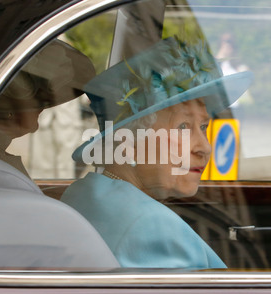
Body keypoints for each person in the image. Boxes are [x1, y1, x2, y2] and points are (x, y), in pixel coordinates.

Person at [61, 37, 253, 268]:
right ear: (128, 143)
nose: (205, 147)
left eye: (203, 127)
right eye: (183, 127)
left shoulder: (84, 192)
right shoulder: (153, 227)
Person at [0, 39, 96, 178]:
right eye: (38, 103)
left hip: (64, 123)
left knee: (64, 159)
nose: (33, 127)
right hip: (50, 125)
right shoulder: (1, 173)